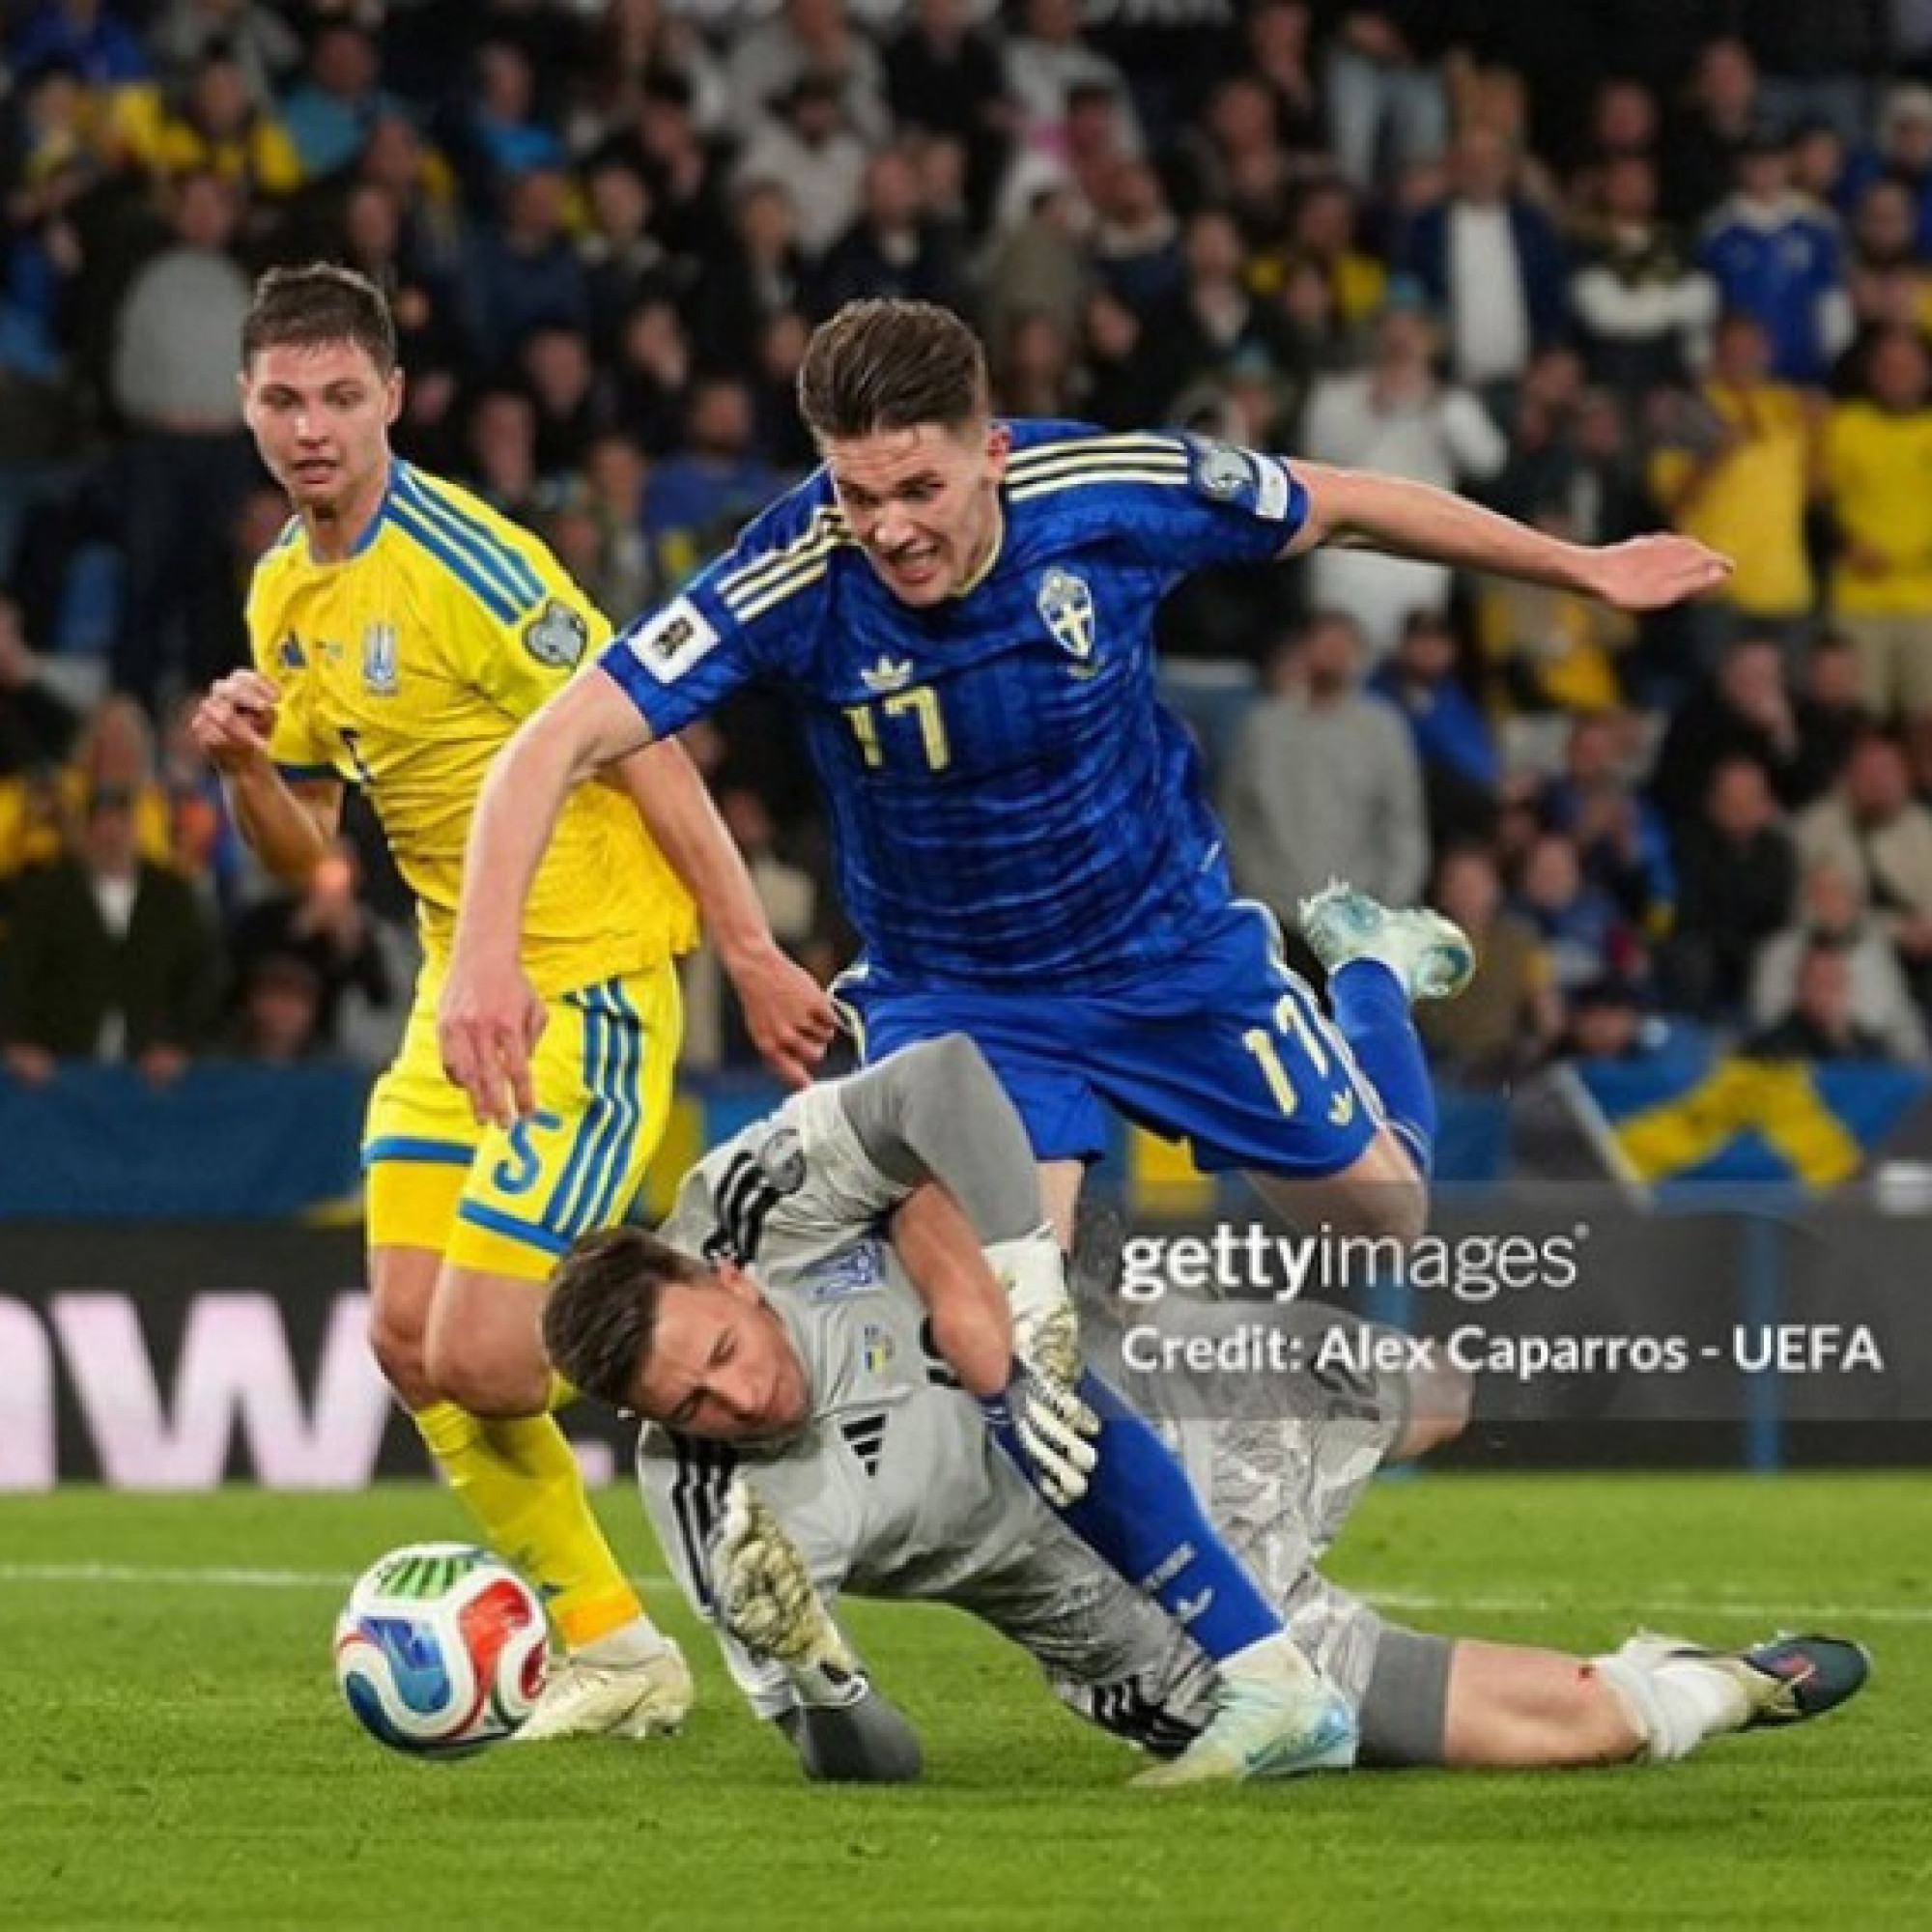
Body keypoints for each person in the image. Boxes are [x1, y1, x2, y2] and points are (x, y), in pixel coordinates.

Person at [438, 296, 1730, 1778]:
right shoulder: (790, 573)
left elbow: (1348, 504)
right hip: (959, 1001)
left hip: (1168, 953)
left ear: (990, 449)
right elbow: (554, 740)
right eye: (857, 494)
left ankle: (1366, 973)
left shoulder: (1108, 492)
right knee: (1004, 1355)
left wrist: (1582, 566)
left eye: (919, 488)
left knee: (1384, 1218)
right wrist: (484, 954)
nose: (889, 529)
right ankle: (1260, 1678)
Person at [540, 1042, 1868, 1786]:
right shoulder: (722, 1520)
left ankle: (1371, 987)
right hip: (1150, 1625)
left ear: (725, 1278)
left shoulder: (750, 1202)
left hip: (1177, 1377)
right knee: (1584, 1723)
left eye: (724, 1353)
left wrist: (1007, 1282)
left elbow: (933, 1083)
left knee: (1445, 1390)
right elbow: (871, 1768)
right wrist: (821, 1672)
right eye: (693, 1406)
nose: (740, 1399)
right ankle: (1715, 1685)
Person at [189, 263, 835, 1744]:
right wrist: (241, 771)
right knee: (407, 1341)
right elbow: (310, 856)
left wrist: (745, 945)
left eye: (340, 396)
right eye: (284, 399)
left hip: (583, 995)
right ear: (246, 405)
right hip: (456, 994)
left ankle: (771, 1413)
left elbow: (645, 739)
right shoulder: (284, 587)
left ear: (394, 398)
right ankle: (617, 1648)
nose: (311, 427)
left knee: (487, 1358)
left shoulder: (473, 563)